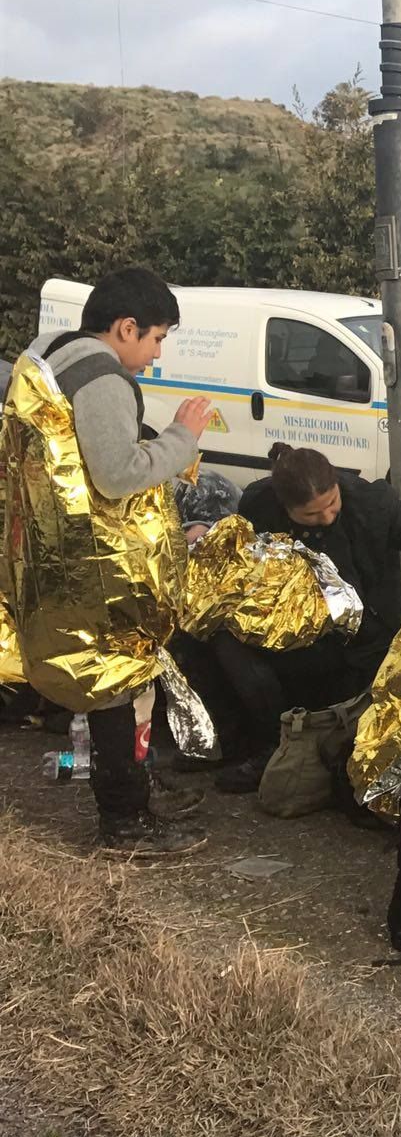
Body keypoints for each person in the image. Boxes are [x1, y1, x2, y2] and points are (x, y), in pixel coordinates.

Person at [32, 267, 213, 855]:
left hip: (54, 553)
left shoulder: (51, 352)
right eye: (157, 338)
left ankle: (137, 795)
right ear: (126, 326)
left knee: (120, 683)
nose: (157, 355)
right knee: (117, 683)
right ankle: (125, 824)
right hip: (95, 563)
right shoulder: (102, 376)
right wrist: (182, 438)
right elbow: (116, 474)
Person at [211, 442, 401, 792]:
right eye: (311, 515)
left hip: (361, 637)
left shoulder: (374, 504)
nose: (326, 517)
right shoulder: (258, 504)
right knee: (221, 639)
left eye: (331, 504)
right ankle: (265, 746)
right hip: (289, 630)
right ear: (284, 506)